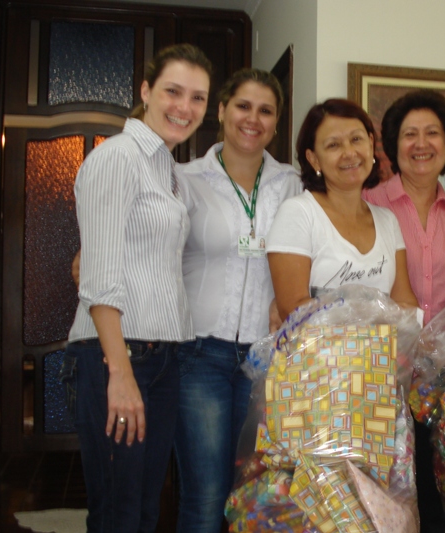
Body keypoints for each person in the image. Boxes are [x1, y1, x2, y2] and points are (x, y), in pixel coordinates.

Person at [66, 44, 211, 532]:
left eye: (197, 98)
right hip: (117, 354)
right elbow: (100, 277)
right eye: (173, 91)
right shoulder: (118, 158)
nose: (184, 108)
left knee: (146, 510)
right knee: (118, 513)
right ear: (146, 91)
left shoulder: (166, 169)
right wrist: (120, 372)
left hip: (162, 357)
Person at [173, 68, 302, 533]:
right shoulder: (184, 178)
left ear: (276, 122)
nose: (253, 118)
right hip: (198, 355)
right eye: (243, 106)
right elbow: (146, 236)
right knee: (206, 495)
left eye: (266, 110)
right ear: (221, 110)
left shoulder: (293, 185)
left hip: (266, 360)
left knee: (255, 491)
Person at [362, 89, 445, 532]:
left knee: (437, 489)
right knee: (387, 492)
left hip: (443, 375)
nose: (421, 143)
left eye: (432, 133)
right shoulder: (370, 204)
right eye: (409, 134)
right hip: (386, 371)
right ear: (393, 146)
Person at [267, 98, 418, 319]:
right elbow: (293, 309)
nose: (349, 152)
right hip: (317, 353)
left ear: (370, 143)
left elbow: (406, 304)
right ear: (314, 159)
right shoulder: (298, 213)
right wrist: (373, 316)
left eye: (356, 139)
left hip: (380, 353)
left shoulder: (388, 221)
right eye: (333, 145)